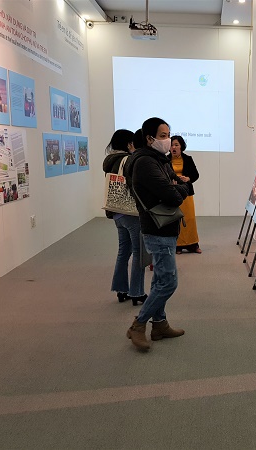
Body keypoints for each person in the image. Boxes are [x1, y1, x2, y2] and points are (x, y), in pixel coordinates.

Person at [124, 117, 189, 351]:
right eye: (163, 136)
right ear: (149, 138)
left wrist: (178, 186)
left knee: (161, 279)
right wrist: (179, 187)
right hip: (157, 228)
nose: (168, 140)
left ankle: (159, 324)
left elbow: (180, 185)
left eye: (169, 135)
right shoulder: (145, 162)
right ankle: (139, 324)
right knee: (169, 282)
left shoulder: (158, 160)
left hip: (165, 227)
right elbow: (174, 195)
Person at [102, 129, 147, 306]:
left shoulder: (110, 160)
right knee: (138, 252)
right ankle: (137, 292)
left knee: (123, 251)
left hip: (117, 212)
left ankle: (121, 289)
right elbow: (134, 185)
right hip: (131, 213)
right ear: (129, 144)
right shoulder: (128, 160)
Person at [169, 135, 201, 254]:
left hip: (186, 192)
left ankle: (193, 245)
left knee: (190, 218)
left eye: (176, 145)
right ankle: (178, 246)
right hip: (173, 193)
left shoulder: (188, 159)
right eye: (172, 145)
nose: (174, 147)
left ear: (181, 146)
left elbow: (196, 174)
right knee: (176, 219)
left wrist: (188, 178)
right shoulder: (165, 160)